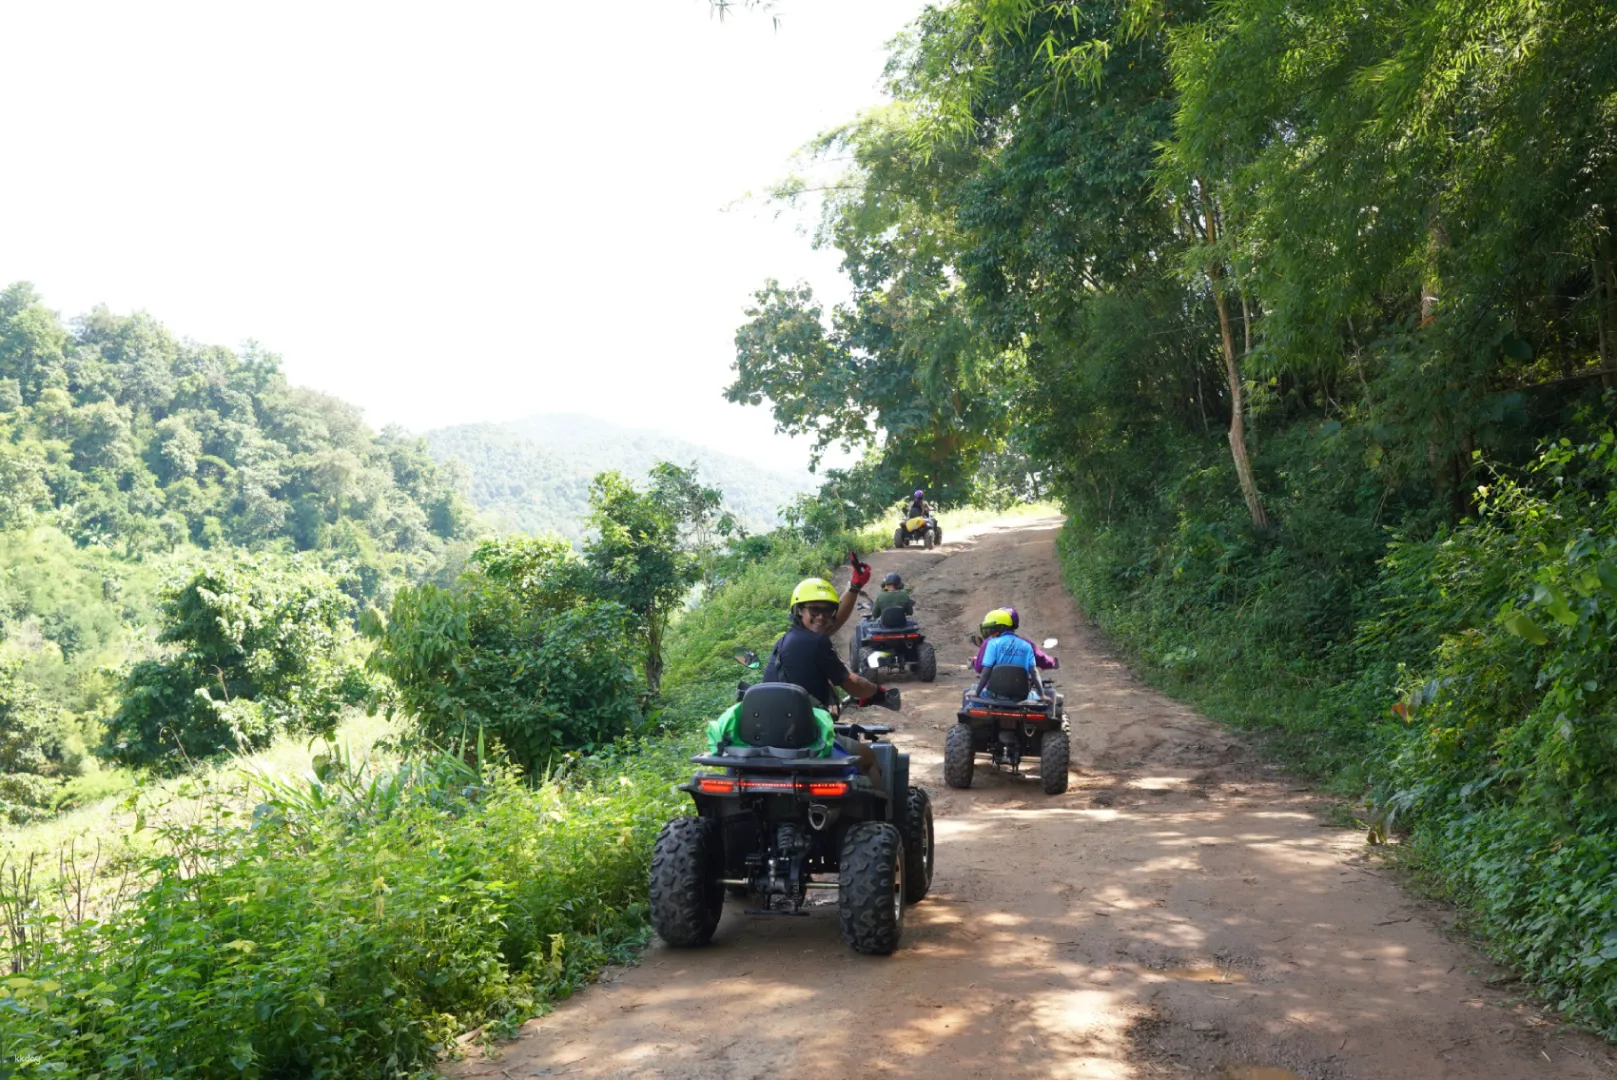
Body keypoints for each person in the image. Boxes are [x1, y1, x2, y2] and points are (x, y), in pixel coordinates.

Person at [762, 571, 889, 778]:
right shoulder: (816, 642)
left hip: (771, 736)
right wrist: (876, 691)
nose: (821, 616)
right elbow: (851, 683)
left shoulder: (787, 642)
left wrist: (854, 588)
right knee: (869, 758)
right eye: (814, 609)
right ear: (799, 610)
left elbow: (830, 624)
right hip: (805, 736)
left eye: (828, 610)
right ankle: (882, 811)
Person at [974, 608, 1041, 702]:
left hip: (994, 695)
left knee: (970, 693)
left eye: (991, 630)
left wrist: (976, 693)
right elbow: (1034, 672)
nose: (990, 634)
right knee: (1047, 697)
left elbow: (986, 671)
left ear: (1001, 628)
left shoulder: (993, 643)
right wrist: (1042, 695)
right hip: (1022, 697)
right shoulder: (1026, 645)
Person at [969, 605, 1057, 673]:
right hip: (1022, 693)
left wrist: (974, 662)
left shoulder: (989, 643)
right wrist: (1053, 662)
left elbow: (979, 667)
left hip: (993, 692)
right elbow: (1043, 660)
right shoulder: (1026, 644)